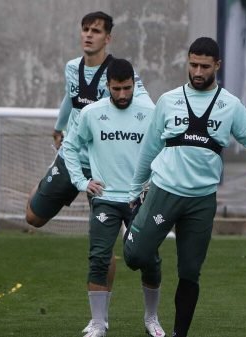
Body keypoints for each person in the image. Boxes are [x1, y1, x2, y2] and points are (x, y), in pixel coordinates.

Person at [122, 37, 246, 337]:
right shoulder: (168, 100)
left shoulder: (230, 105)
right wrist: (133, 191)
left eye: (205, 66)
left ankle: (180, 334)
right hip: (164, 192)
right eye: (193, 65)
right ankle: (143, 238)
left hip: (202, 201)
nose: (198, 71)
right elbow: (148, 149)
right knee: (136, 257)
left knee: (190, 272)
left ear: (217, 65)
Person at [24, 12, 152, 333]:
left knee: (102, 246)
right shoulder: (72, 67)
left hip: (103, 167)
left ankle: (100, 320)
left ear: (108, 38)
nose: (88, 36)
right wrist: (58, 125)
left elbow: (145, 103)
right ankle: (51, 185)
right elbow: (71, 96)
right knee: (33, 218)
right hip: (72, 158)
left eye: (96, 31)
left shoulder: (120, 74)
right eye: (85, 30)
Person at [62, 58, 164, 337]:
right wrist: (81, 182)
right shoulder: (92, 113)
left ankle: (152, 318)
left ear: (134, 85)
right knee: (98, 258)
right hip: (105, 198)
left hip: (140, 199)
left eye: (127, 88)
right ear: (107, 86)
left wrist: (154, 184)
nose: (122, 95)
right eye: (116, 89)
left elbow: (166, 150)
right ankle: (98, 324)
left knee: (149, 259)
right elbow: (70, 147)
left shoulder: (150, 112)